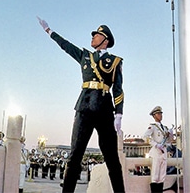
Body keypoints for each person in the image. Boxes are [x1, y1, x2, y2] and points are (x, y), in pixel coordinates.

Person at [37, 18, 125, 193]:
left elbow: (118, 88)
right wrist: (49, 31)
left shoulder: (115, 61)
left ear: (105, 40)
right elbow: (66, 46)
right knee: (75, 155)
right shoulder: (85, 55)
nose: (92, 38)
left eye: (96, 35)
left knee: (112, 159)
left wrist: (119, 114)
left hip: (105, 109)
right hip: (84, 108)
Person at [143, 106, 174, 193]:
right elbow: (145, 137)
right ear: (154, 115)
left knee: (162, 177)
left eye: (161, 113)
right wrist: (156, 145)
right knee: (155, 177)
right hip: (156, 152)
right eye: (158, 114)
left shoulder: (165, 128)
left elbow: (169, 141)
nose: (160, 115)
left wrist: (171, 134)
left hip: (163, 153)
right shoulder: (152, 126)